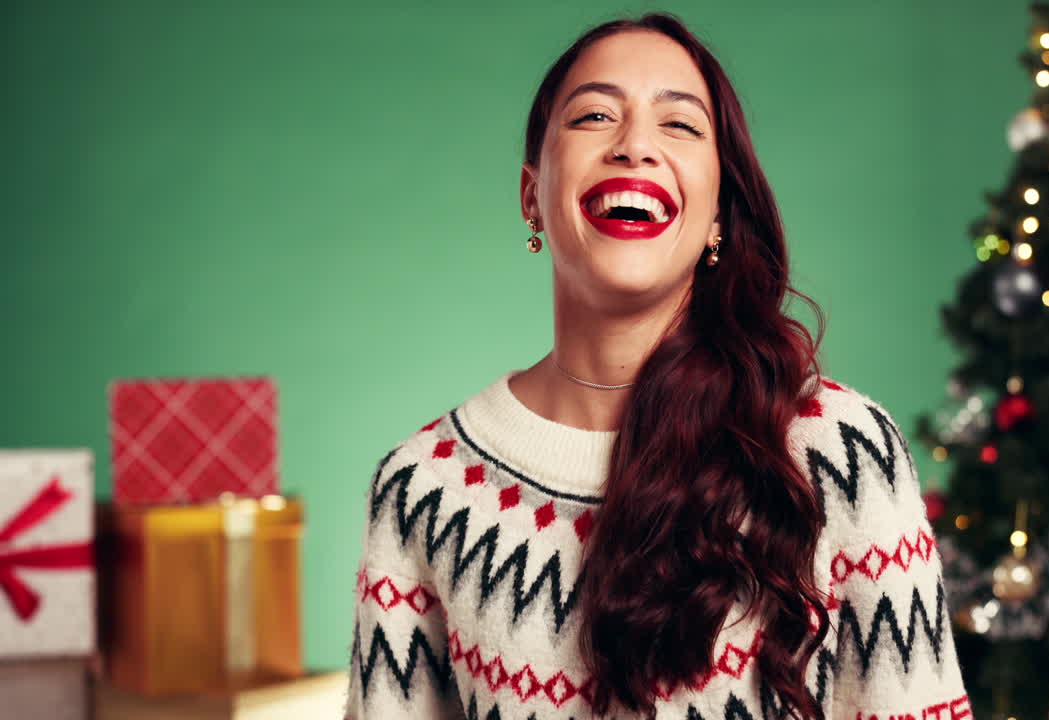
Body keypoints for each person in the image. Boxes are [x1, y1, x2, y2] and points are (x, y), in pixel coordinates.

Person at [345, 12, 968, 720]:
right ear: (531, 196)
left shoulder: (839, 453)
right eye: (594, 116)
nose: (634, 145)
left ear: (717, 217)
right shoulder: (423, 488)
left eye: (679, 125)